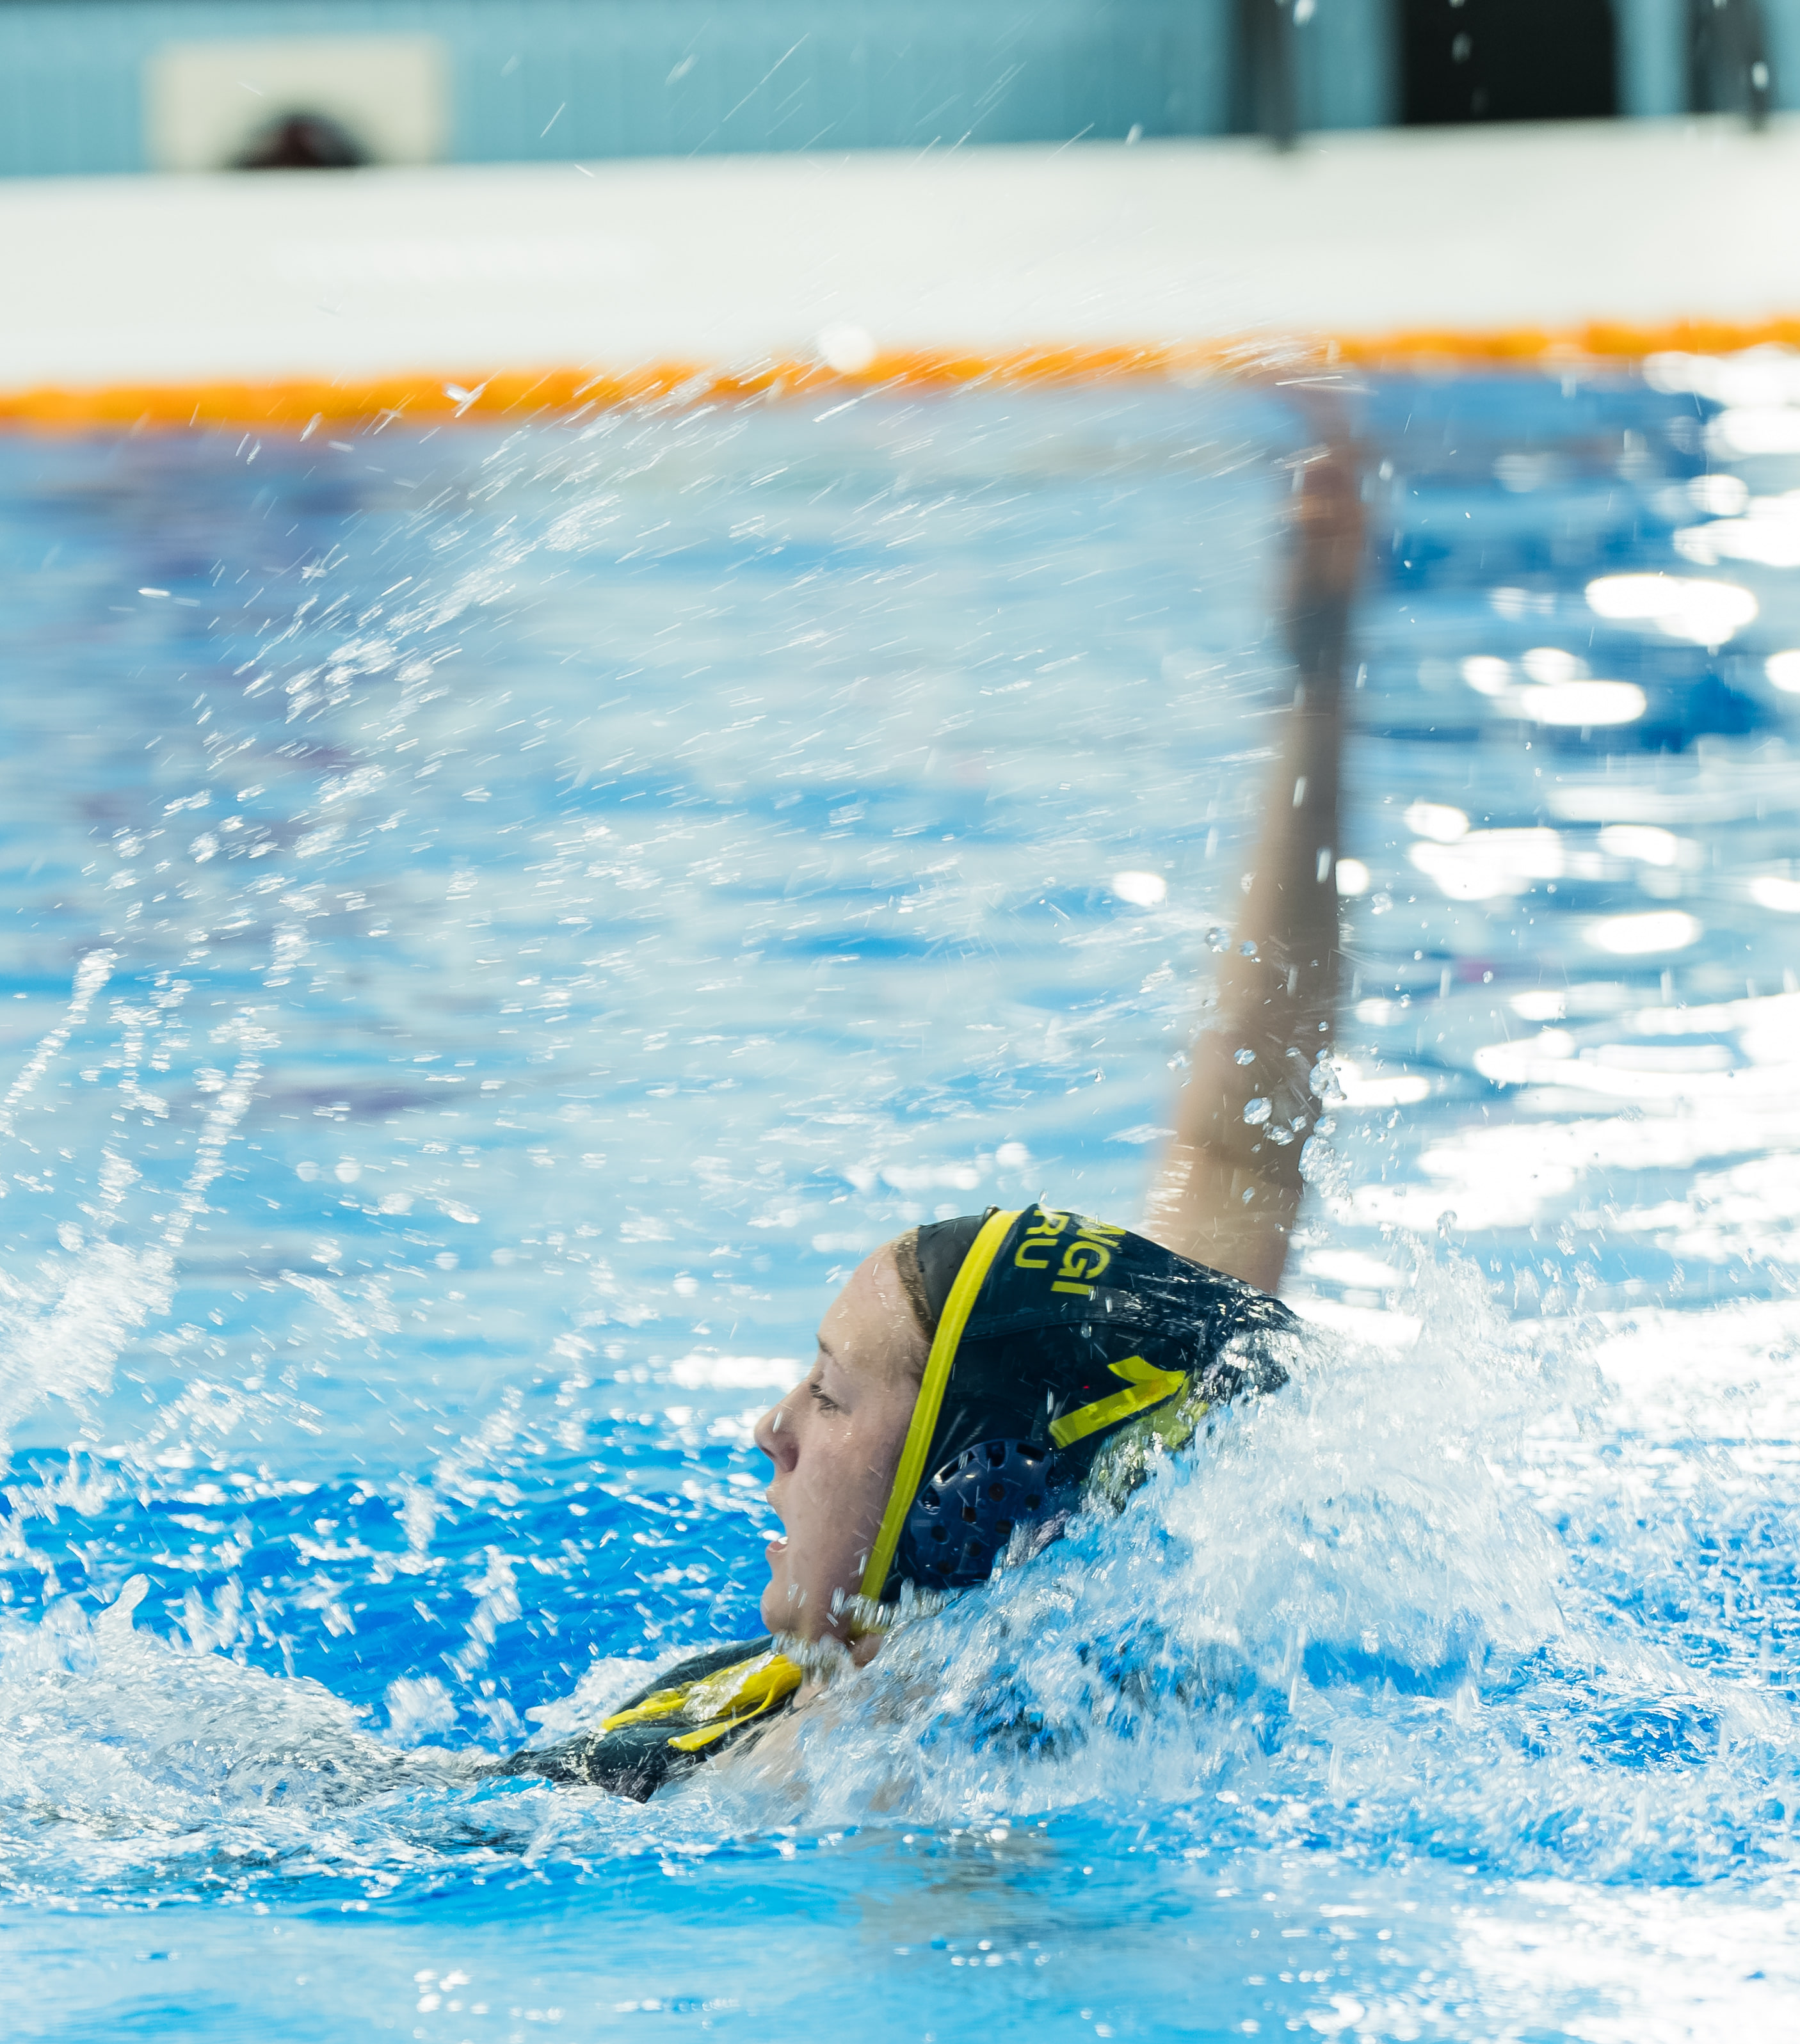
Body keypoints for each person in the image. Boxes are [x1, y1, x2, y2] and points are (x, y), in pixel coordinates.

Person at [515, 429, 1367, 1797]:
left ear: (961, 1494)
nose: (769, 1429)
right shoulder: (856, 1686)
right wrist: (1320, 681)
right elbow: (1237, 1153)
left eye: (833, 1394)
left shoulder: (887, 1765)